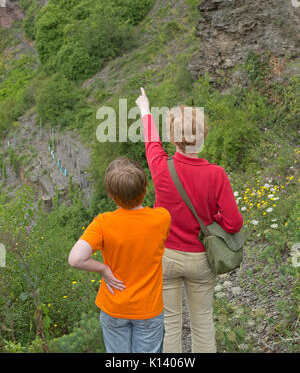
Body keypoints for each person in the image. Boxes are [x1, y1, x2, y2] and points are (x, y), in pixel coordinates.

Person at [136, 88, 243, 353]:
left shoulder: (161, 166)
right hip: (199, 260)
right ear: (203, 136)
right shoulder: (216, 175)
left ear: (174, 138)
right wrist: (210, 219)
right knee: (202, 322)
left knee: (171, 324)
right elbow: (233, 223)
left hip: (167, 257)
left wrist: (145, 109)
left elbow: (151, 142)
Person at [68, 157, 171, 353]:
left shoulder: (103, 223)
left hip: (114, 307)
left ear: (110, 195)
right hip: (148, 308)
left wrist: (104, 269)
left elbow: (75, 259)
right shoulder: (162, 218)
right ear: (145, 188)